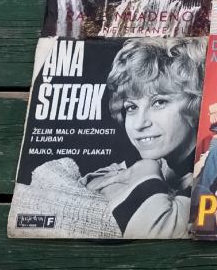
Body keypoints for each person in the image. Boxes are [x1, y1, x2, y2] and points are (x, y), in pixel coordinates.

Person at [85, 38, 206, 238]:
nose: (139, 124)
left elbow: (157, 233)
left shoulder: (216, 172)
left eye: (159, 102)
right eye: (131, 107)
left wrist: (146, 170)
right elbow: (87, 185)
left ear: (196, 103)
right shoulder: (163, 165)